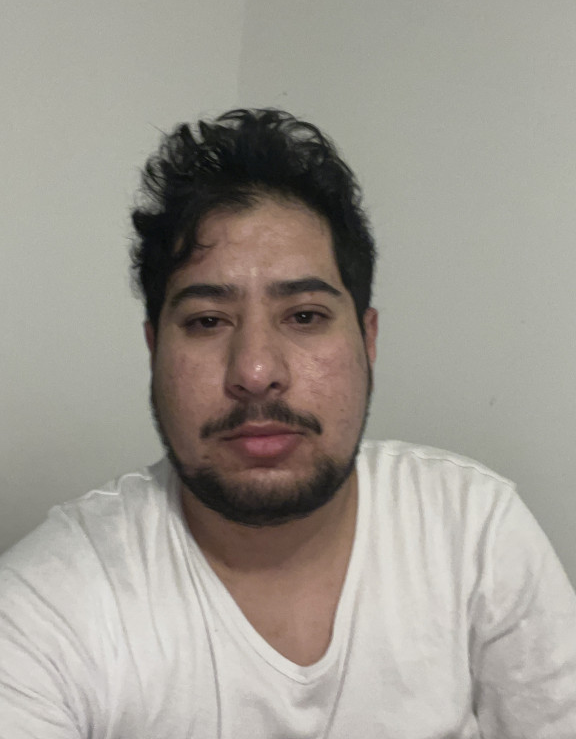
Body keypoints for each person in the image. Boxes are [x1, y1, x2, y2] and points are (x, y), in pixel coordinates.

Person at [1, 109, 575, 739]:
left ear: (368, 339)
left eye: (304, 316)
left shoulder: (473, 533)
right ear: (154, 349)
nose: (255, 371)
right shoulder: (46, 606)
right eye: (207, 321)